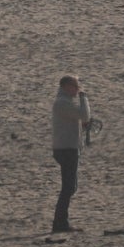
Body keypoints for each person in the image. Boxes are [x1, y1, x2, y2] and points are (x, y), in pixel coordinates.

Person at [48, 74, 95, 234]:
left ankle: (61, 222)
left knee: (70, 187)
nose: (78, 89)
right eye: (76, 86)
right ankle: (59, 223)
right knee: (68, 187)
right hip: (66, 149)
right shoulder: (62, 103)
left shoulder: (65, 103)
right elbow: (85, 114)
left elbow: (80, 119)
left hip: (68, 148)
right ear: (67, 87)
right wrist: (84, 98)